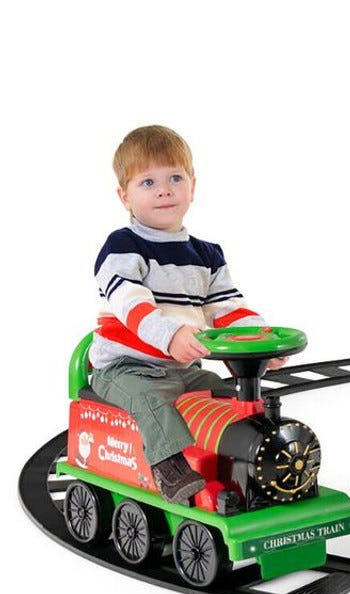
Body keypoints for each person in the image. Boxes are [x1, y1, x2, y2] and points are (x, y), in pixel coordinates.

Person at [89, 125, 275, 504]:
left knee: (228, 395)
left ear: (193, 185)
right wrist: (170, 335)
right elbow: (130, 301)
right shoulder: (122, 248)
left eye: (175, 177)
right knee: (150, 400)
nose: (164, 190)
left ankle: (242, 470)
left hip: (182, 369)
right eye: (148, 182)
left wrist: (261, 341)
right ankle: (169, 468)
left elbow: (227, 308)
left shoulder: (207, 254)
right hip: (126, 367)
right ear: (124, 196)